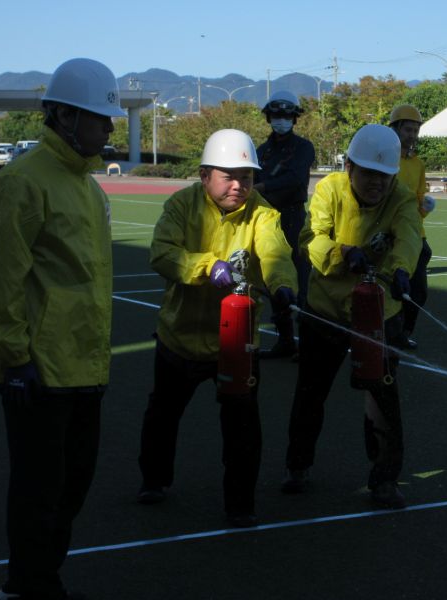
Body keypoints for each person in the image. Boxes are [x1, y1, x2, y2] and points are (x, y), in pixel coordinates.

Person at [0, 58, 125, 600]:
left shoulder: (89, 187)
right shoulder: (21, 182)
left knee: (73, 485)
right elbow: (5, 279)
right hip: (38, 369)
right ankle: (26, 586)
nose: (108, 127)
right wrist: (15, 359)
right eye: (99, 117)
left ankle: (42, 579)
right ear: (64, 116)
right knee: (39, 491)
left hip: (85, 364)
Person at [137, 129, 297, 528]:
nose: (239, 185)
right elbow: (162, 253)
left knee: (243, 426)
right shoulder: (181, 205)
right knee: (163, 415)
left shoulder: (263, 213)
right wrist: (207, 266)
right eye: (229, 176)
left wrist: (282, 286)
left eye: (246, 176)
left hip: (237, 342)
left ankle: (240, 504)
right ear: (204, 175)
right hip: (179, 336)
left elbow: (275, 253)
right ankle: (154, 479)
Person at [281, 124, 422, 509]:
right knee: (311, 391)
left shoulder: (401, 197)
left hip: (379, 311)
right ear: (349, 168)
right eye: (369, 173)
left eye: (385, 175)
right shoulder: (329, 190)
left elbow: (409, 236)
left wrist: (401, 270)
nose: (378, 182)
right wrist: (342, 252)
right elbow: (310, 238)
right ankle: (297, 465)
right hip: (326, 308)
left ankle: (385, 479)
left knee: (383, 397)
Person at [254, 90, 315, 359]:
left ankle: (308, 344)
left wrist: (263, 186)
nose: (281, 120)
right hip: (267, 219)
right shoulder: (261, 151)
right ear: (269, 118)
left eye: (287, 116)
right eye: (276, 115)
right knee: (273, 279)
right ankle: (286, 341)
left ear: (294, 118)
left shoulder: (303, 147)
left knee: (301, 281)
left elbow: (295, 179)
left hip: (292, 218)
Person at [389, 104, 435, 351]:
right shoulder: (385, 158)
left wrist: (424, 207)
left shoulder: (418, 164)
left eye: (416, 131)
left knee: (418, 292)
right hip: (387, 232)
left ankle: (404, 332)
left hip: (414, 235)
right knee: (388, 289)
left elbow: (418, 199)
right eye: (408, 129)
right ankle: (387, 332)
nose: (412, 135)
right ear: (395, 129)